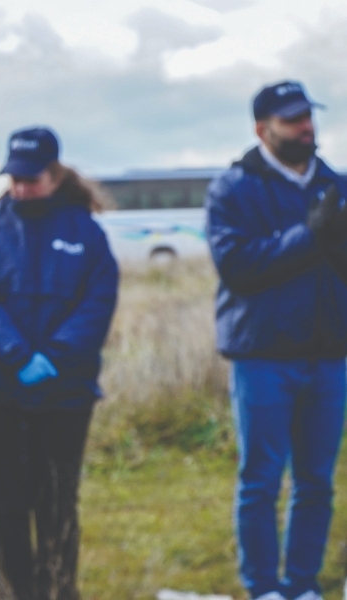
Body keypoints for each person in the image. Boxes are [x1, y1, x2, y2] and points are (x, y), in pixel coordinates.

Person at [0, 126, 119, 600]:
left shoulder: (86, 234)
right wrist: (19, 356)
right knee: (5, 501)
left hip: (65, 396)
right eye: (15, 177)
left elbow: (98, 302)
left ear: (54, 174)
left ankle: (60, 589)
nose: (22, 186)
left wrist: (54, 357)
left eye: (32, 177)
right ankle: (11, 591)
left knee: (57, 502)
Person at [205, 80, 347, 600]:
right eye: (293, 119)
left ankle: (302, 584)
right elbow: (238, 267)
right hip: (262, 355)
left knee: (316, 481)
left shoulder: (338, 184)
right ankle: (263, 587)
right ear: (262, 129)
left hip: (330, 355)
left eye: (308, 116)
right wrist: (309, 236)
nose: (306, 127)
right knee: (261, 480)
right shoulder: (233, 189)